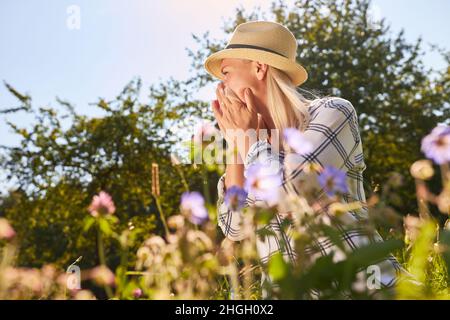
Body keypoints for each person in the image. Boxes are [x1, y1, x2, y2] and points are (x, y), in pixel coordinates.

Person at [204, 20, 405, 299]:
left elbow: (294, 191)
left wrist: (249, 141)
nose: (221, 84)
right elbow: (234, 227)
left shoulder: (332, 113)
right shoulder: (252, 149)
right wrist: (239, 143)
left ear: (259, 67)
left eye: (226, 72)